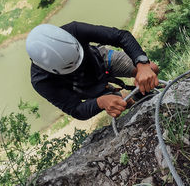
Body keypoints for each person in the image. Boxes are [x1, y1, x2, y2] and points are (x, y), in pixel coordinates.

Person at [26, 21, 159, 120]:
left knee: (152, 68)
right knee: (123, 103)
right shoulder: (41, 81)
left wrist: (142, 65)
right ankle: (134, 98)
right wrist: (100, 102)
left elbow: (120, 36)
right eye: (69, 66)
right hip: (87, 88)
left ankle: (141, 92)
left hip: (101, 60)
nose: (76, 66)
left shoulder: (74, 30)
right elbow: (76, 110)